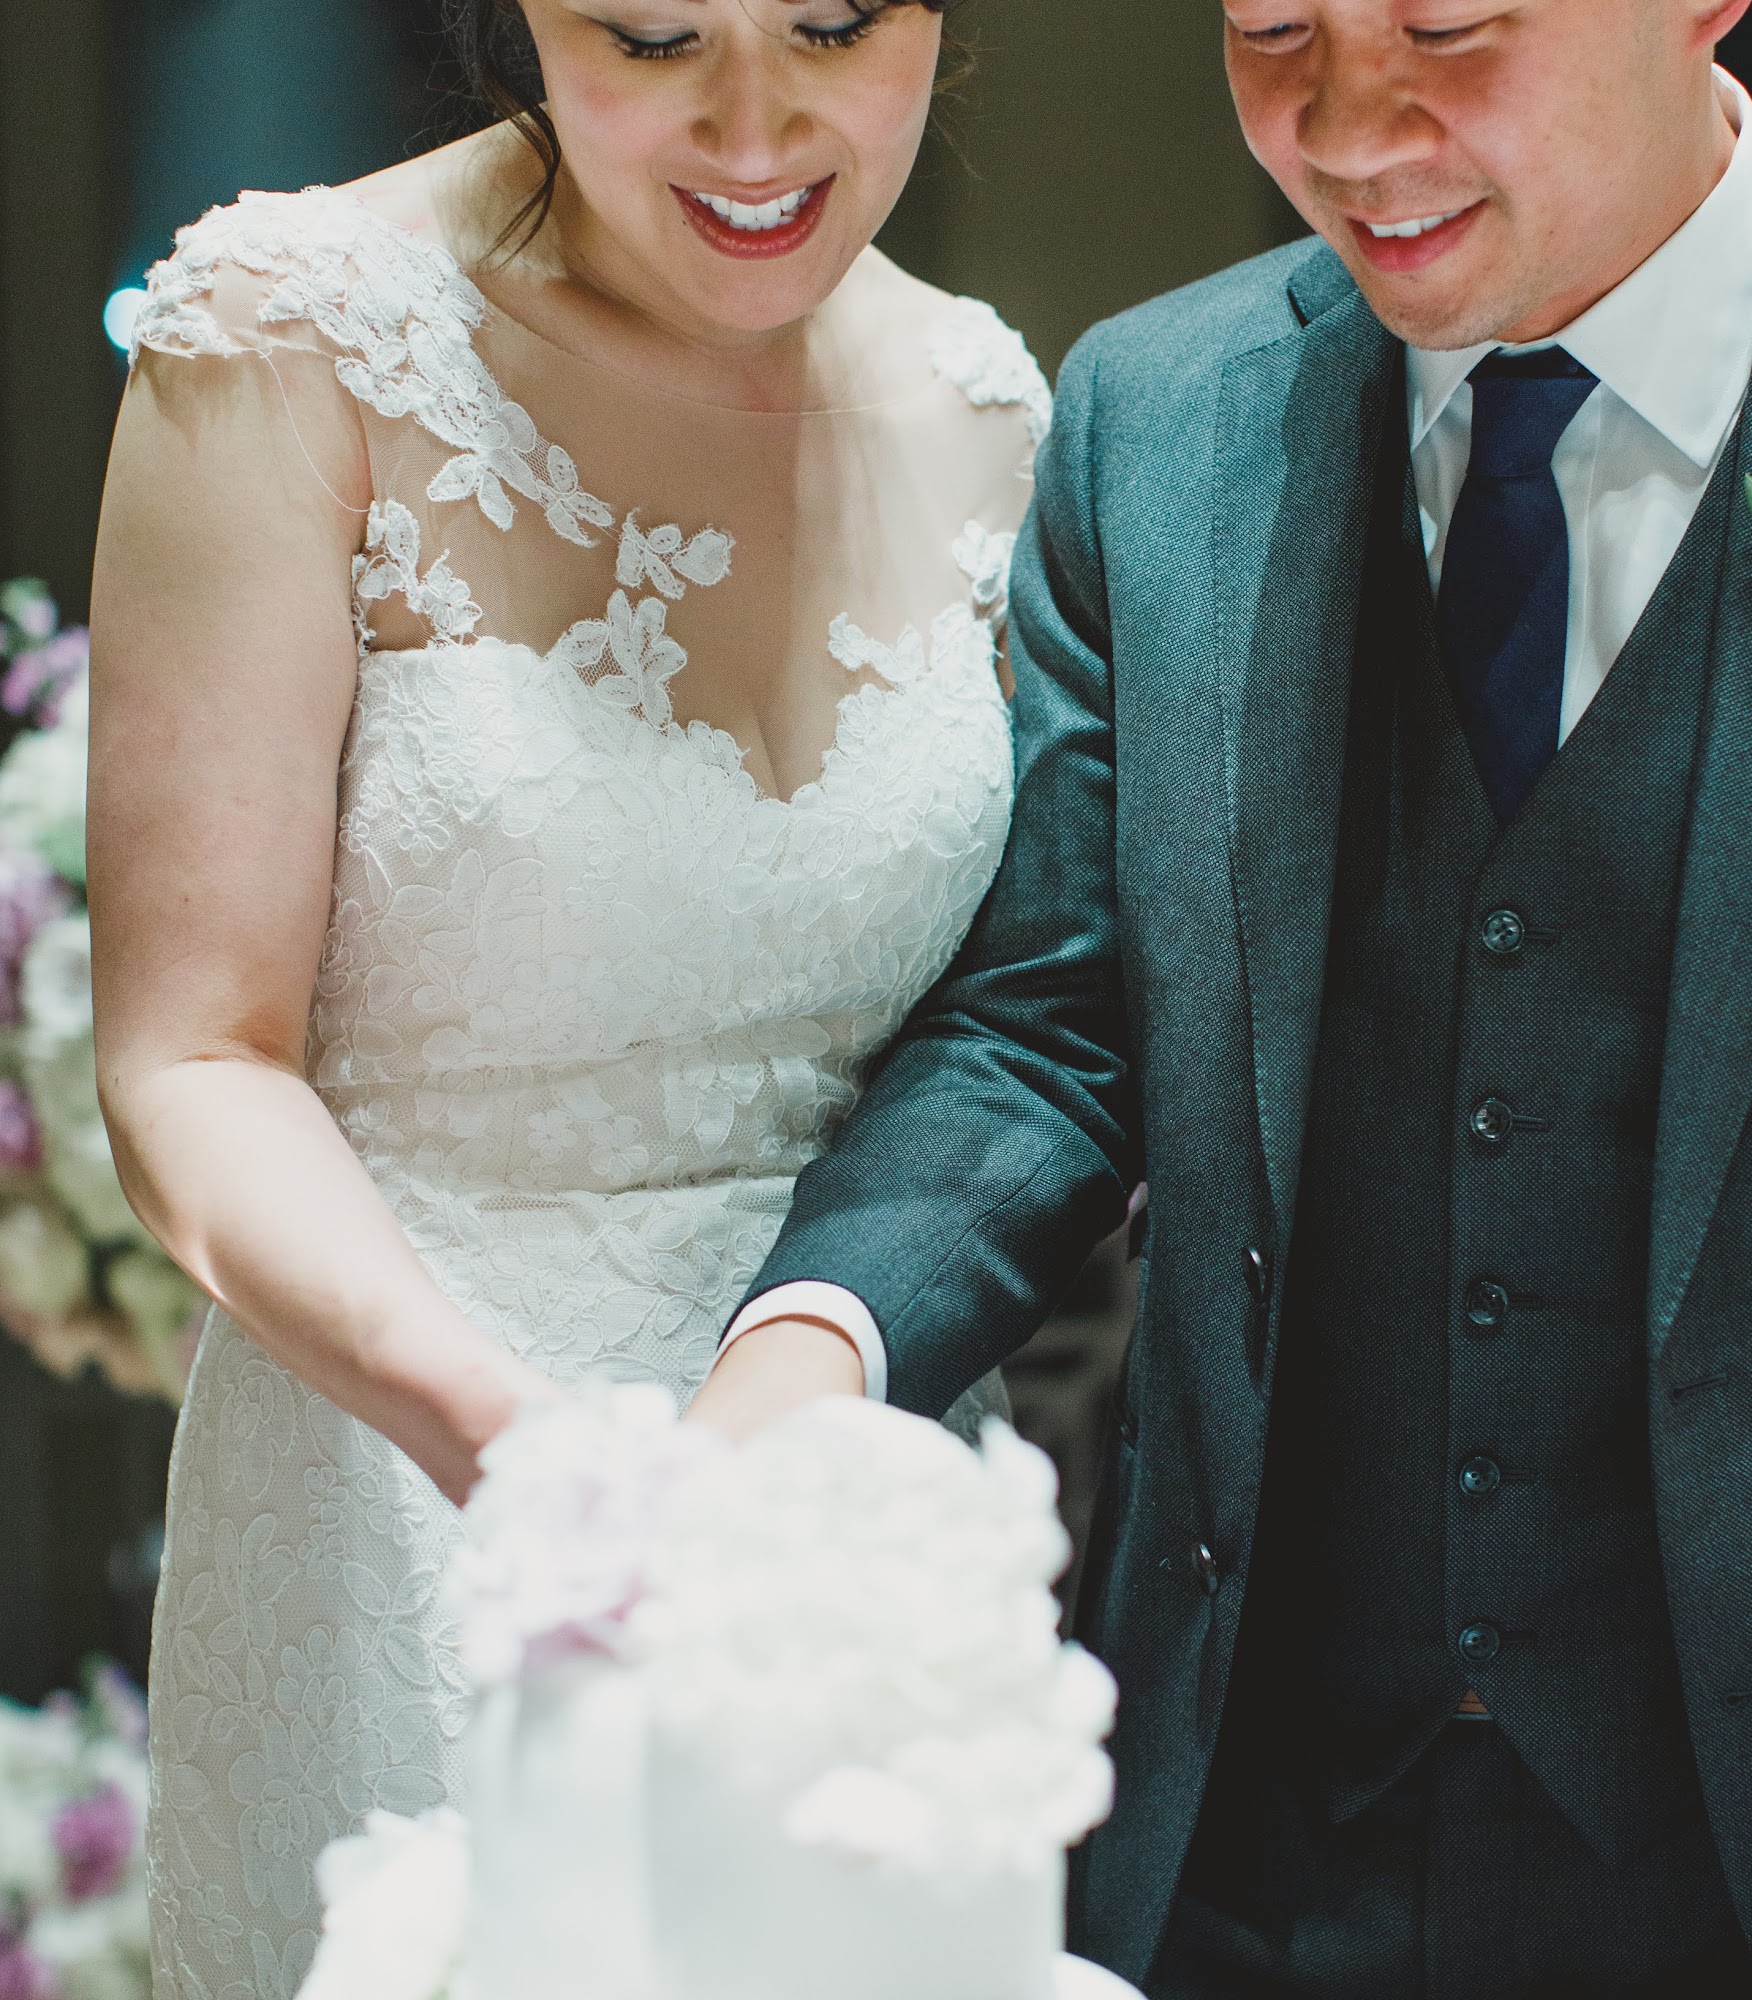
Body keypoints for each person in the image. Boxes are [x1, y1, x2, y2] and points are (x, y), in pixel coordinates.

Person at [691, 0, 1752, 1991]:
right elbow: (1049, 1023)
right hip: (1252, 1834)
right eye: (1273, 28)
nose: (1347, 124)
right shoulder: (1158, 418)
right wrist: (813, 1343)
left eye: (1447, 26)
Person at [88, 1, 1046, 1991]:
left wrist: (795, 1447)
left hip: (841, 1508)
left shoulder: (990, 409)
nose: (754, 126)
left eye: (833, 26)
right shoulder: (288, 337)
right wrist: (515, 1454)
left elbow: (1024, 1046)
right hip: (405, 1473)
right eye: (655, 36)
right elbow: (194, 1057)